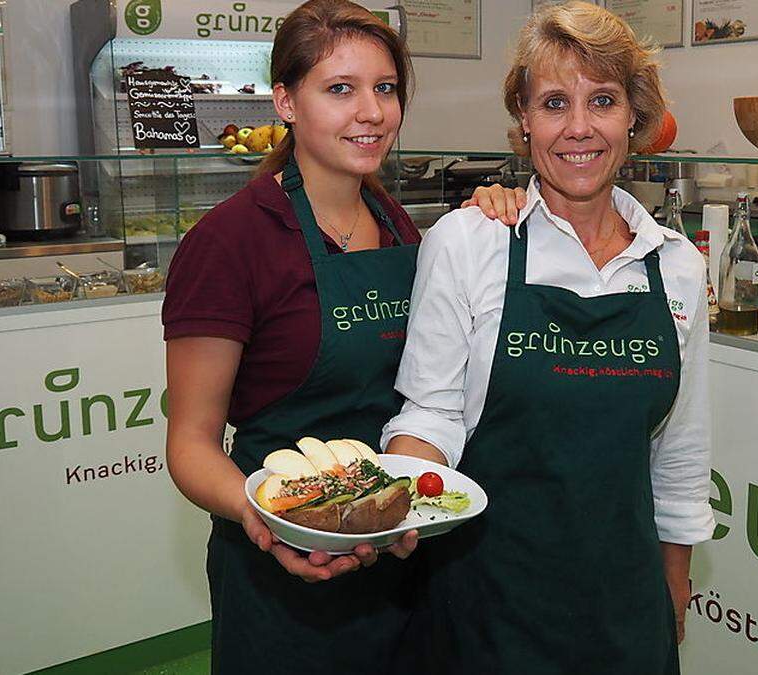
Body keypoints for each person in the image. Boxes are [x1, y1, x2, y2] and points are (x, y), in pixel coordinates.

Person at [163, 1, 520, 671]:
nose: (373, 112)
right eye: (340, 89)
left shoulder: (401, 227)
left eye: (385, 88)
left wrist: (487, 218)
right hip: (282, 573)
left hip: (400, 552)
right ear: (286, 101)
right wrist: (264, 518)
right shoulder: (230, 242)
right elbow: (189, 442)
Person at [384, 2, 715, 673]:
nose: (580, 128)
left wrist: (673, 578)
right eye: (555, 103)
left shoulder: (678, 265)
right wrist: (402, 494)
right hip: (488, 597)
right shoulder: (469, 242)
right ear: (525, 120)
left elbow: (680, 451)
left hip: (624, 603)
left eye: (603, 100)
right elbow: (432, 408)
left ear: (633, 117)